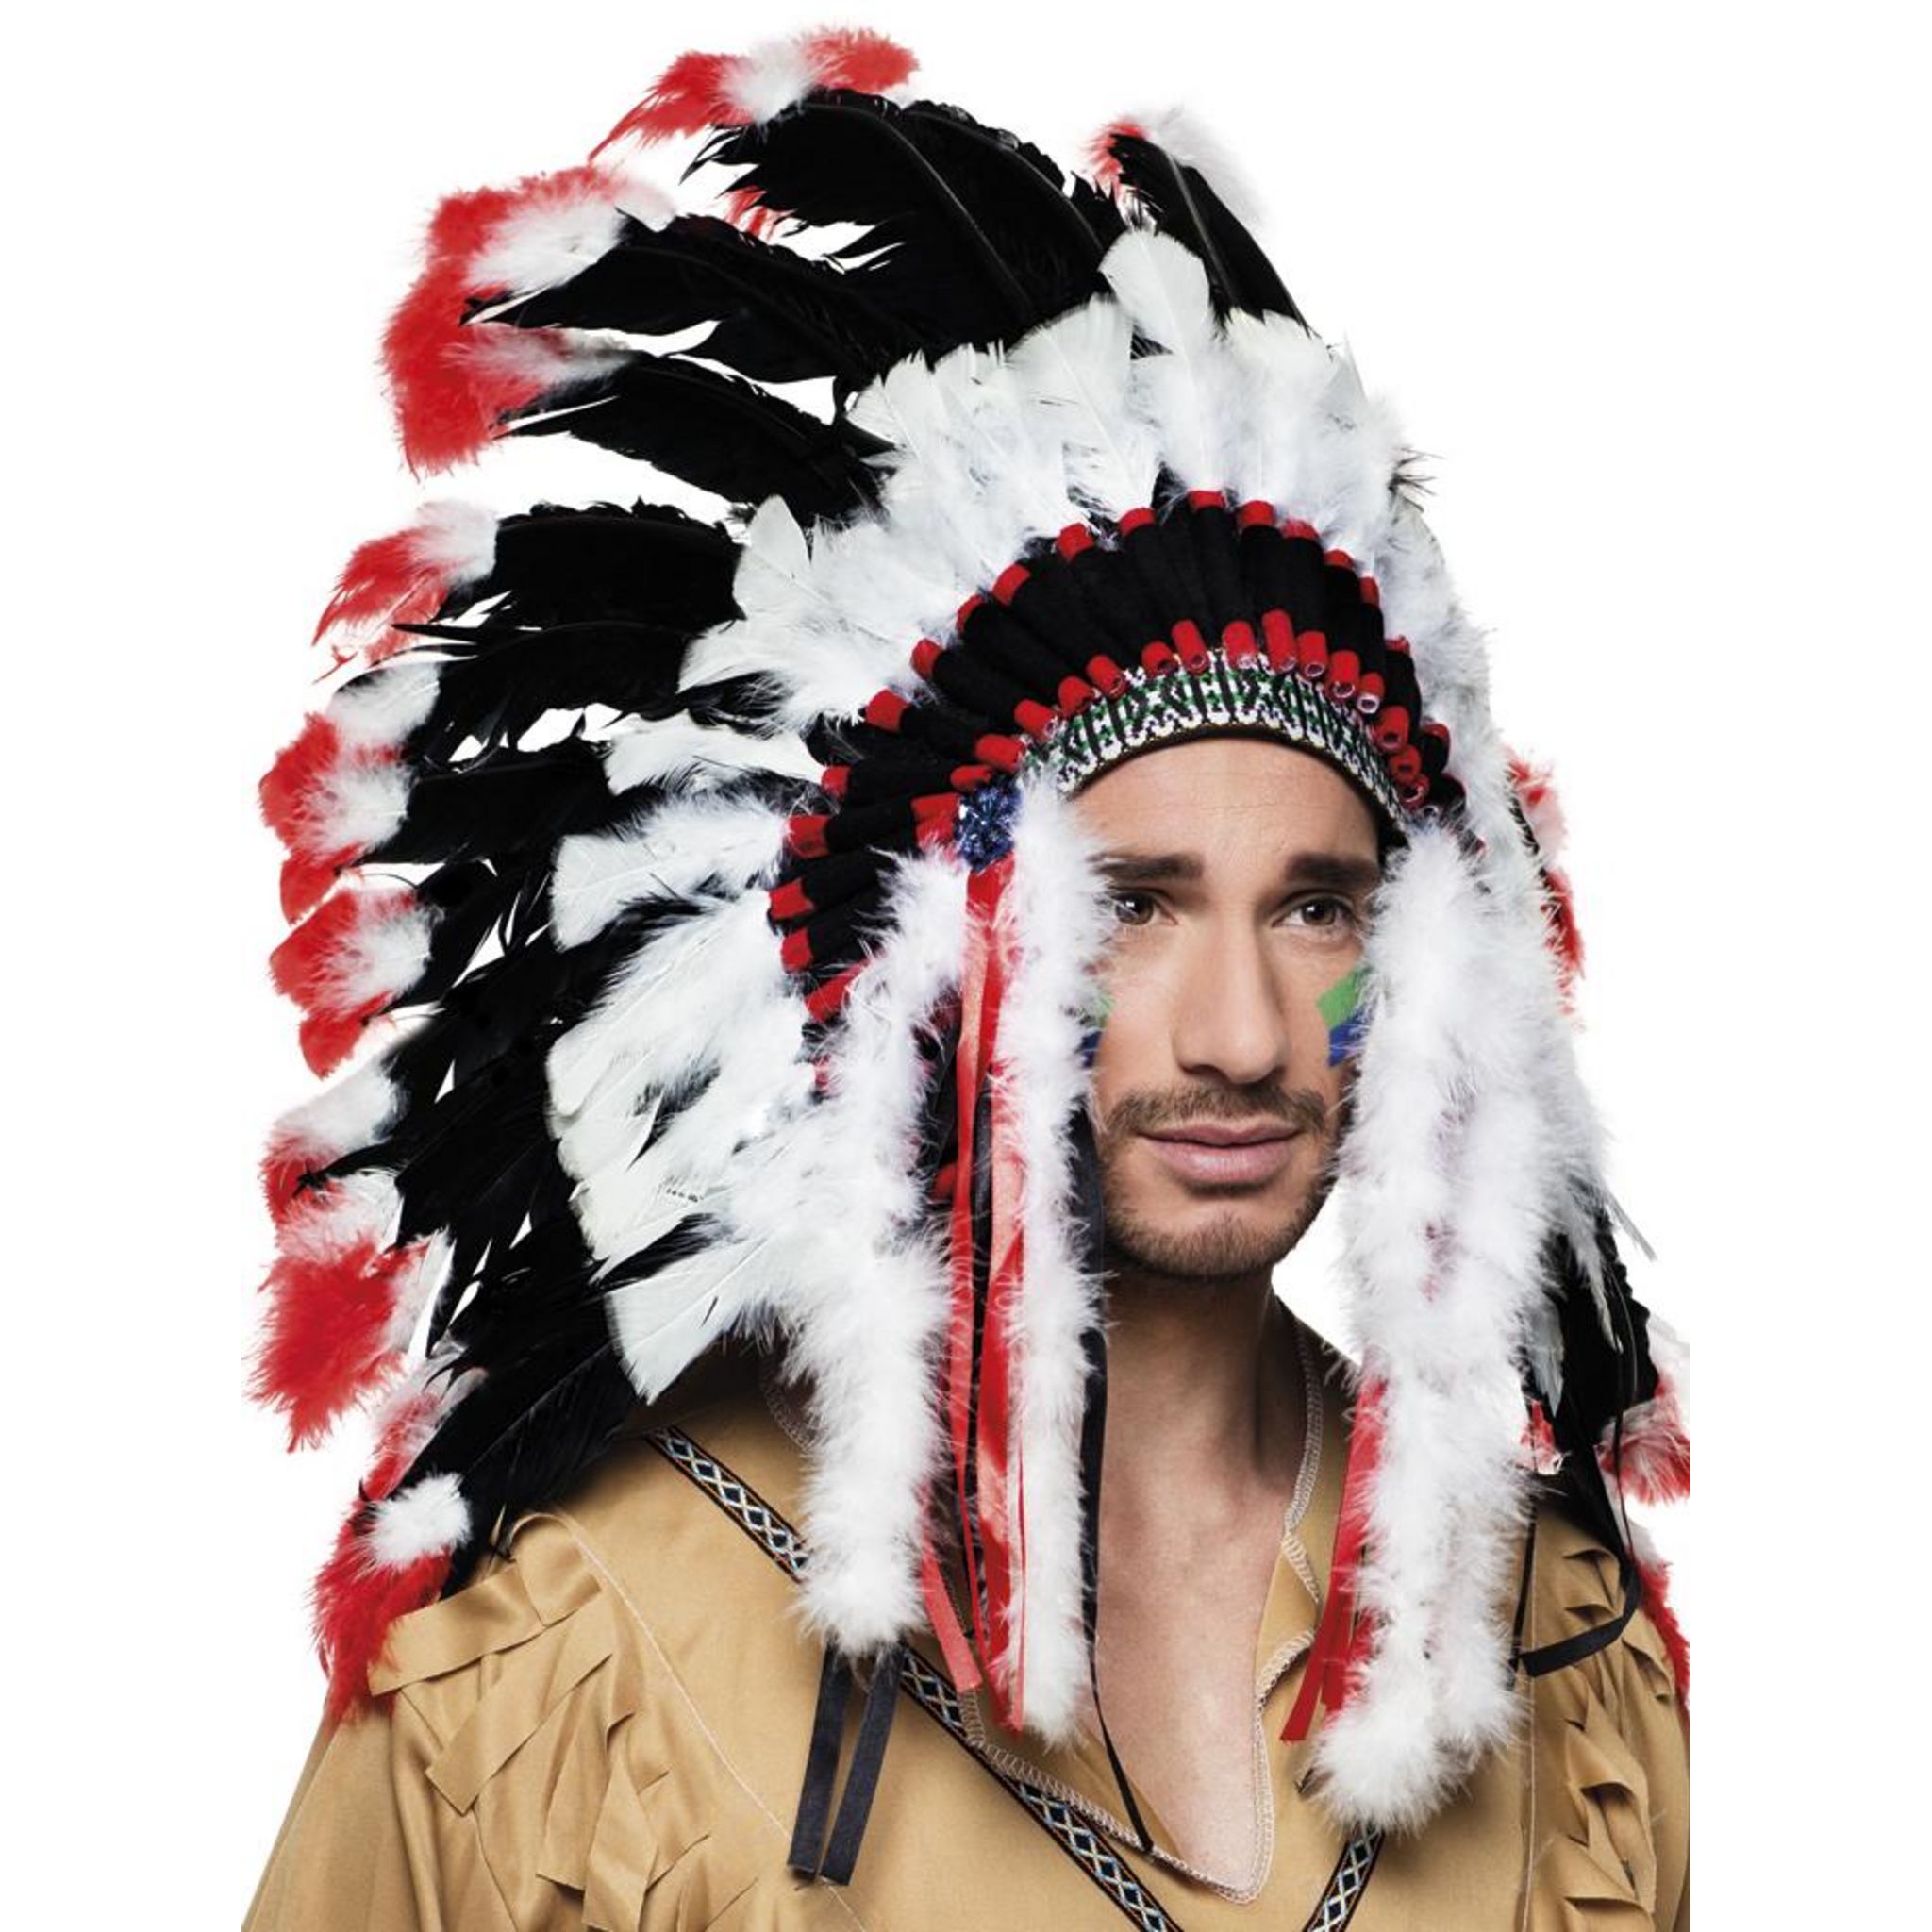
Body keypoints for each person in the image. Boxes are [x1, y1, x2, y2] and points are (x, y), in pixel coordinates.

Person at [244, 28, 1690, 1927]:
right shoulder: (579, 1641)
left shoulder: (1559, 1650)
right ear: (936, 957)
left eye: (1318, 910)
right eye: (1132, 906)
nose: (1243, 1036)